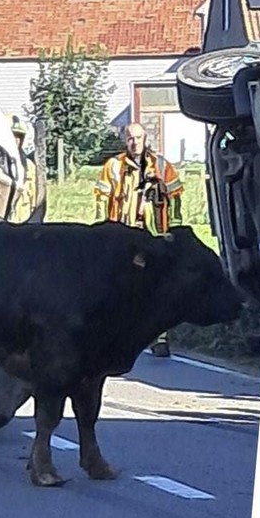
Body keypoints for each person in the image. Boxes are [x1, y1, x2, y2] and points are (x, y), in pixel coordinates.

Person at [94, 122, 184, 357]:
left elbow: (175, 198)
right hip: (122, 237)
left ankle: (159, 339)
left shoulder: (161, 166)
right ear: (125, 140)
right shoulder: (113, 167)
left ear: (145, 139)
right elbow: (102, 200)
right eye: (130, 138)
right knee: (120, 285)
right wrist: (98, 232)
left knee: (154, 286)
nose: (134, 142)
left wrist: (173, 229)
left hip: (152, 235)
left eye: (138, 138)